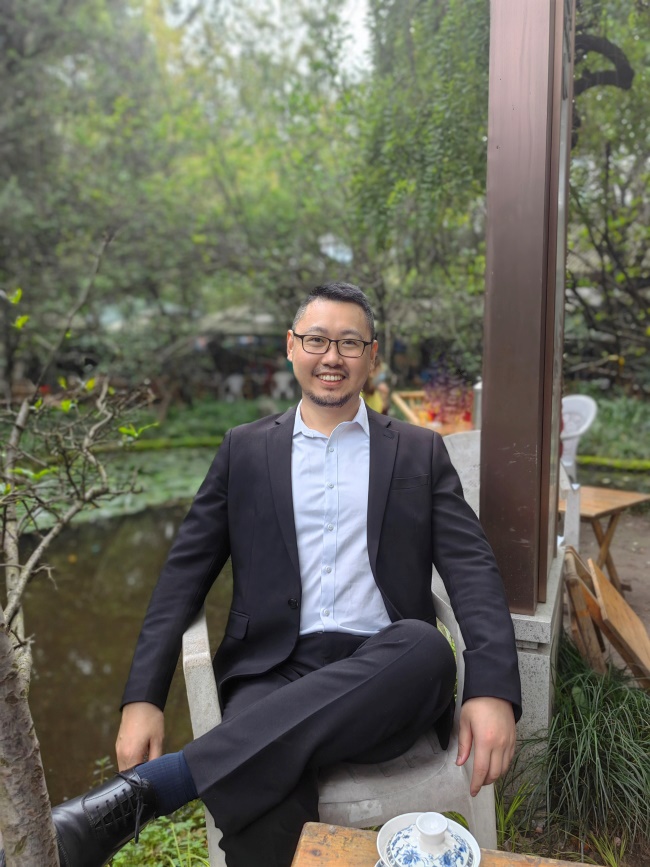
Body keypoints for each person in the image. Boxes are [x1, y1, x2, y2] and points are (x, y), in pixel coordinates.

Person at [1, 283, 521, 867]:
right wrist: (143, 698)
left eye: (349, 343)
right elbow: (182, 578)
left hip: (388, 670)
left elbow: (473, 570)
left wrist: (492, 689)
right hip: (272, 671)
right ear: (291, 347)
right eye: (317, 340)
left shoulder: (419, 451)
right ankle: (210, 769)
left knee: (426, 646)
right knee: (266, 799)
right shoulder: (243, 450)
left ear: (372, 356)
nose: (332, 357)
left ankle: (160, 788)